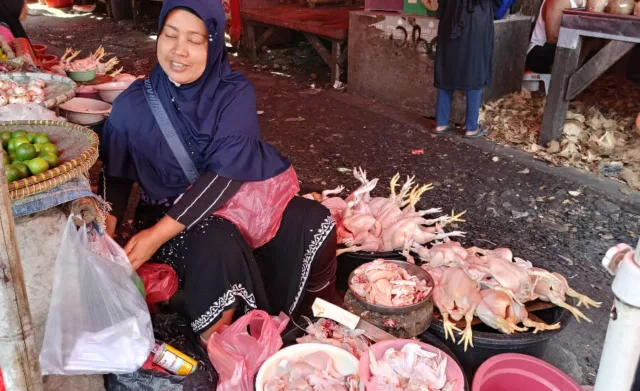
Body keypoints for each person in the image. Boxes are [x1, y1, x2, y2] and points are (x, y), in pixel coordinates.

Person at [99, 0, 340, 341]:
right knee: (218, 243)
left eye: (195, 40)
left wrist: (155, 238)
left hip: (232, 200)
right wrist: (104, 241)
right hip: (166, 214)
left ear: (213, 43)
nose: (179, 51)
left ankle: (308, 320)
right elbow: (115, 176)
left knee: (313, 219)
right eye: (170, 35)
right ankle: (220, 350)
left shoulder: (233, 92)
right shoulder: (133, 104)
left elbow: (225, 174)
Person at [434, 0, 495, 138]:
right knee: (475, 67)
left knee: (446, 66)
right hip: (476, 17)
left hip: (450, 16)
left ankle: (441, 123)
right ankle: (471, 127)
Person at [525, 0, 585, 74]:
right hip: (539, 52)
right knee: (587, 45)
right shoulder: (558, 1)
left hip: (560, 48)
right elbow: (552, 38)